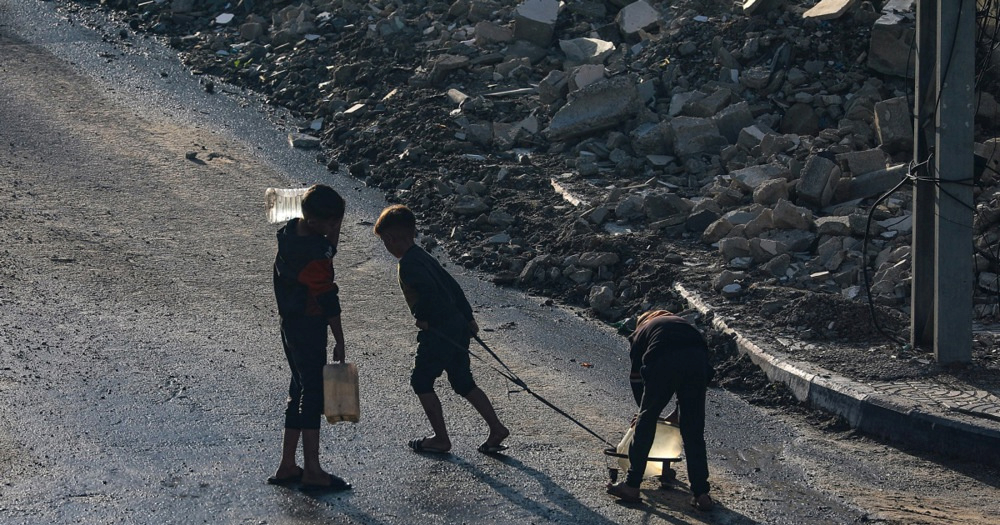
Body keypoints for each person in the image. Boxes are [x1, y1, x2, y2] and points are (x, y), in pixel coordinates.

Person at [373, 204, 509, 455]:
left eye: (384, 241)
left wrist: (423, 318)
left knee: (421, 381)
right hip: (457, 325)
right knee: (463, 381)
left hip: (439, 330)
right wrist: (468, 319)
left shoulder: (408, 265)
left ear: (390, 239)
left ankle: (441, 439)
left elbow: (428, 295)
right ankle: (496, 428)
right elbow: (453, 287)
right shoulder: (424, 256)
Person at [268, 184, 351, 491]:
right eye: (333, 223)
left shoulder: (291, 234)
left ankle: (288, 464)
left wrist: (333, 228)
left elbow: (327, 250)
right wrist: (339, 339)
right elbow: (328, 297)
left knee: (299, 388)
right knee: (313, 393)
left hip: (289, 325)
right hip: (309, 324)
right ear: (317, 223)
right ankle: (313, 469)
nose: (335, 229)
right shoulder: (314, 256)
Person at [606, 310, 714, 511]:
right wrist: (677, 412)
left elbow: (637, 379)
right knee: (693, 430)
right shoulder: (684, 326)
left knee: (646, 421)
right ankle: (702, 494)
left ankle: (631, 486)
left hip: (663, 357)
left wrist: (644, 412)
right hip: (697, 359)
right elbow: (704, 372)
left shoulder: (641, 332)